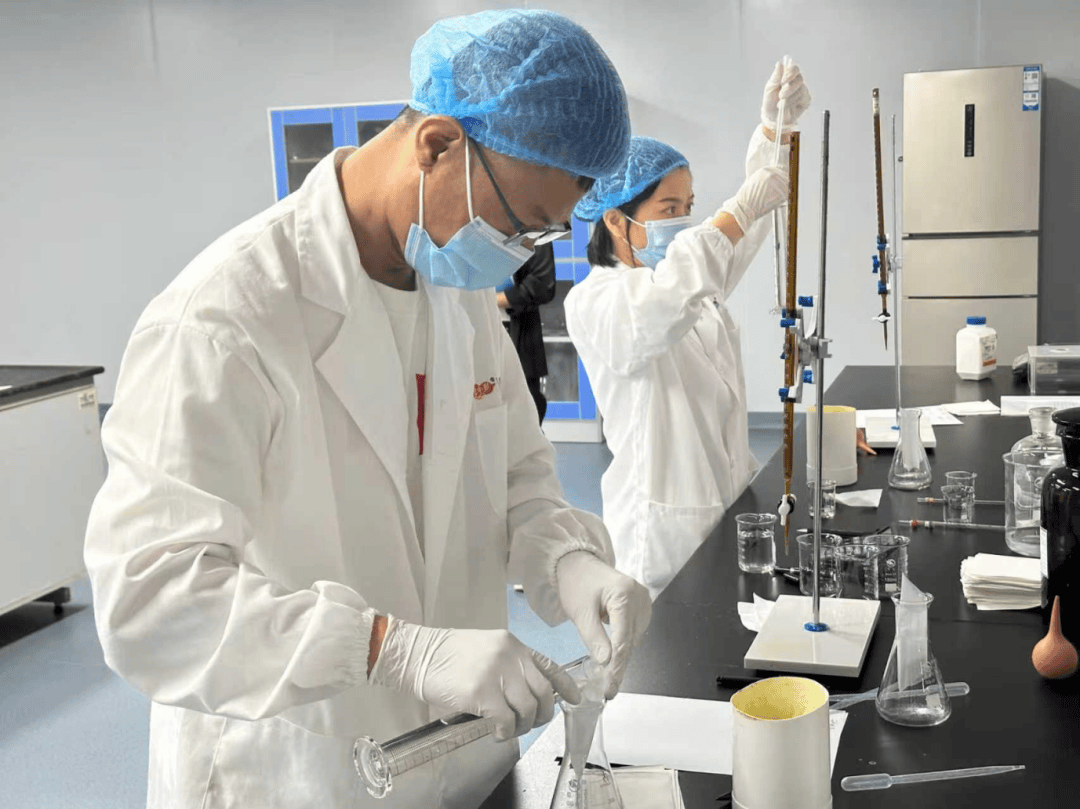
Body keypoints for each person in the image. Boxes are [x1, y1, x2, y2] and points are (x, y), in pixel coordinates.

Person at [82, 10, 651, 808]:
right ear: (437, 145)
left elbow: (517, 477)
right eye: (518, 224)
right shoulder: (224, 318)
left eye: (542, 235)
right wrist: (389, 648)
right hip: (296, 773)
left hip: (459, 761)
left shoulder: (455, 295)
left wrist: (568, 561)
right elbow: (150, 600)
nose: (518, 253)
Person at [564, 63, 814, 600]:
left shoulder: (684, 280)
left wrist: (774, 135)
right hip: (662, 537)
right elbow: (669, 298)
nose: (683, 220)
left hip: (727, 503)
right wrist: (738, 206)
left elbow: (734, 240)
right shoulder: (598, 300)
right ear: (615, 220)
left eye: (688, 208)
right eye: (668, 209)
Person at [497, 243, 556, 423]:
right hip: (473, 335)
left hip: (519, 334)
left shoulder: (535, 230)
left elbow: (543, 283)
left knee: (525, 418)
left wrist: (491, 300)